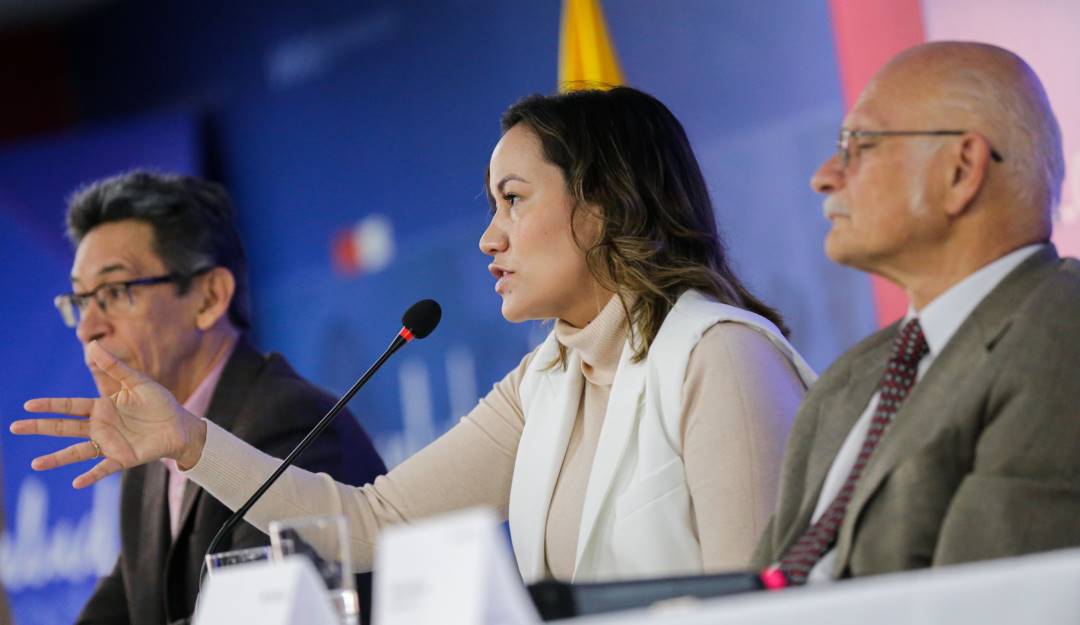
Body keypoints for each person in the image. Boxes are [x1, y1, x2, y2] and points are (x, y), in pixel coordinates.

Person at [14, 88, 816, 583]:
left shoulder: (721, 355)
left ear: (603, 205)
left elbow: (761, 604)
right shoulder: (548, 379)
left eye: (512, 199)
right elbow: (368, 522)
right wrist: (189, 439)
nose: (488, 239)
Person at [748, 41, 1080, 585]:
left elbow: (988, 611)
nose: (825, 176)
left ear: (961, 169)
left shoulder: (1062, 339)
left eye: (860, 144)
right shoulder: (848, 381)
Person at [44, 172, 387, 625]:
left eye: (113, 292)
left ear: (209, 296)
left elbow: (268, 614)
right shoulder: (148, 451)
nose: (89, 328)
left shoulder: (291, 424)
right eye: (80, 300)